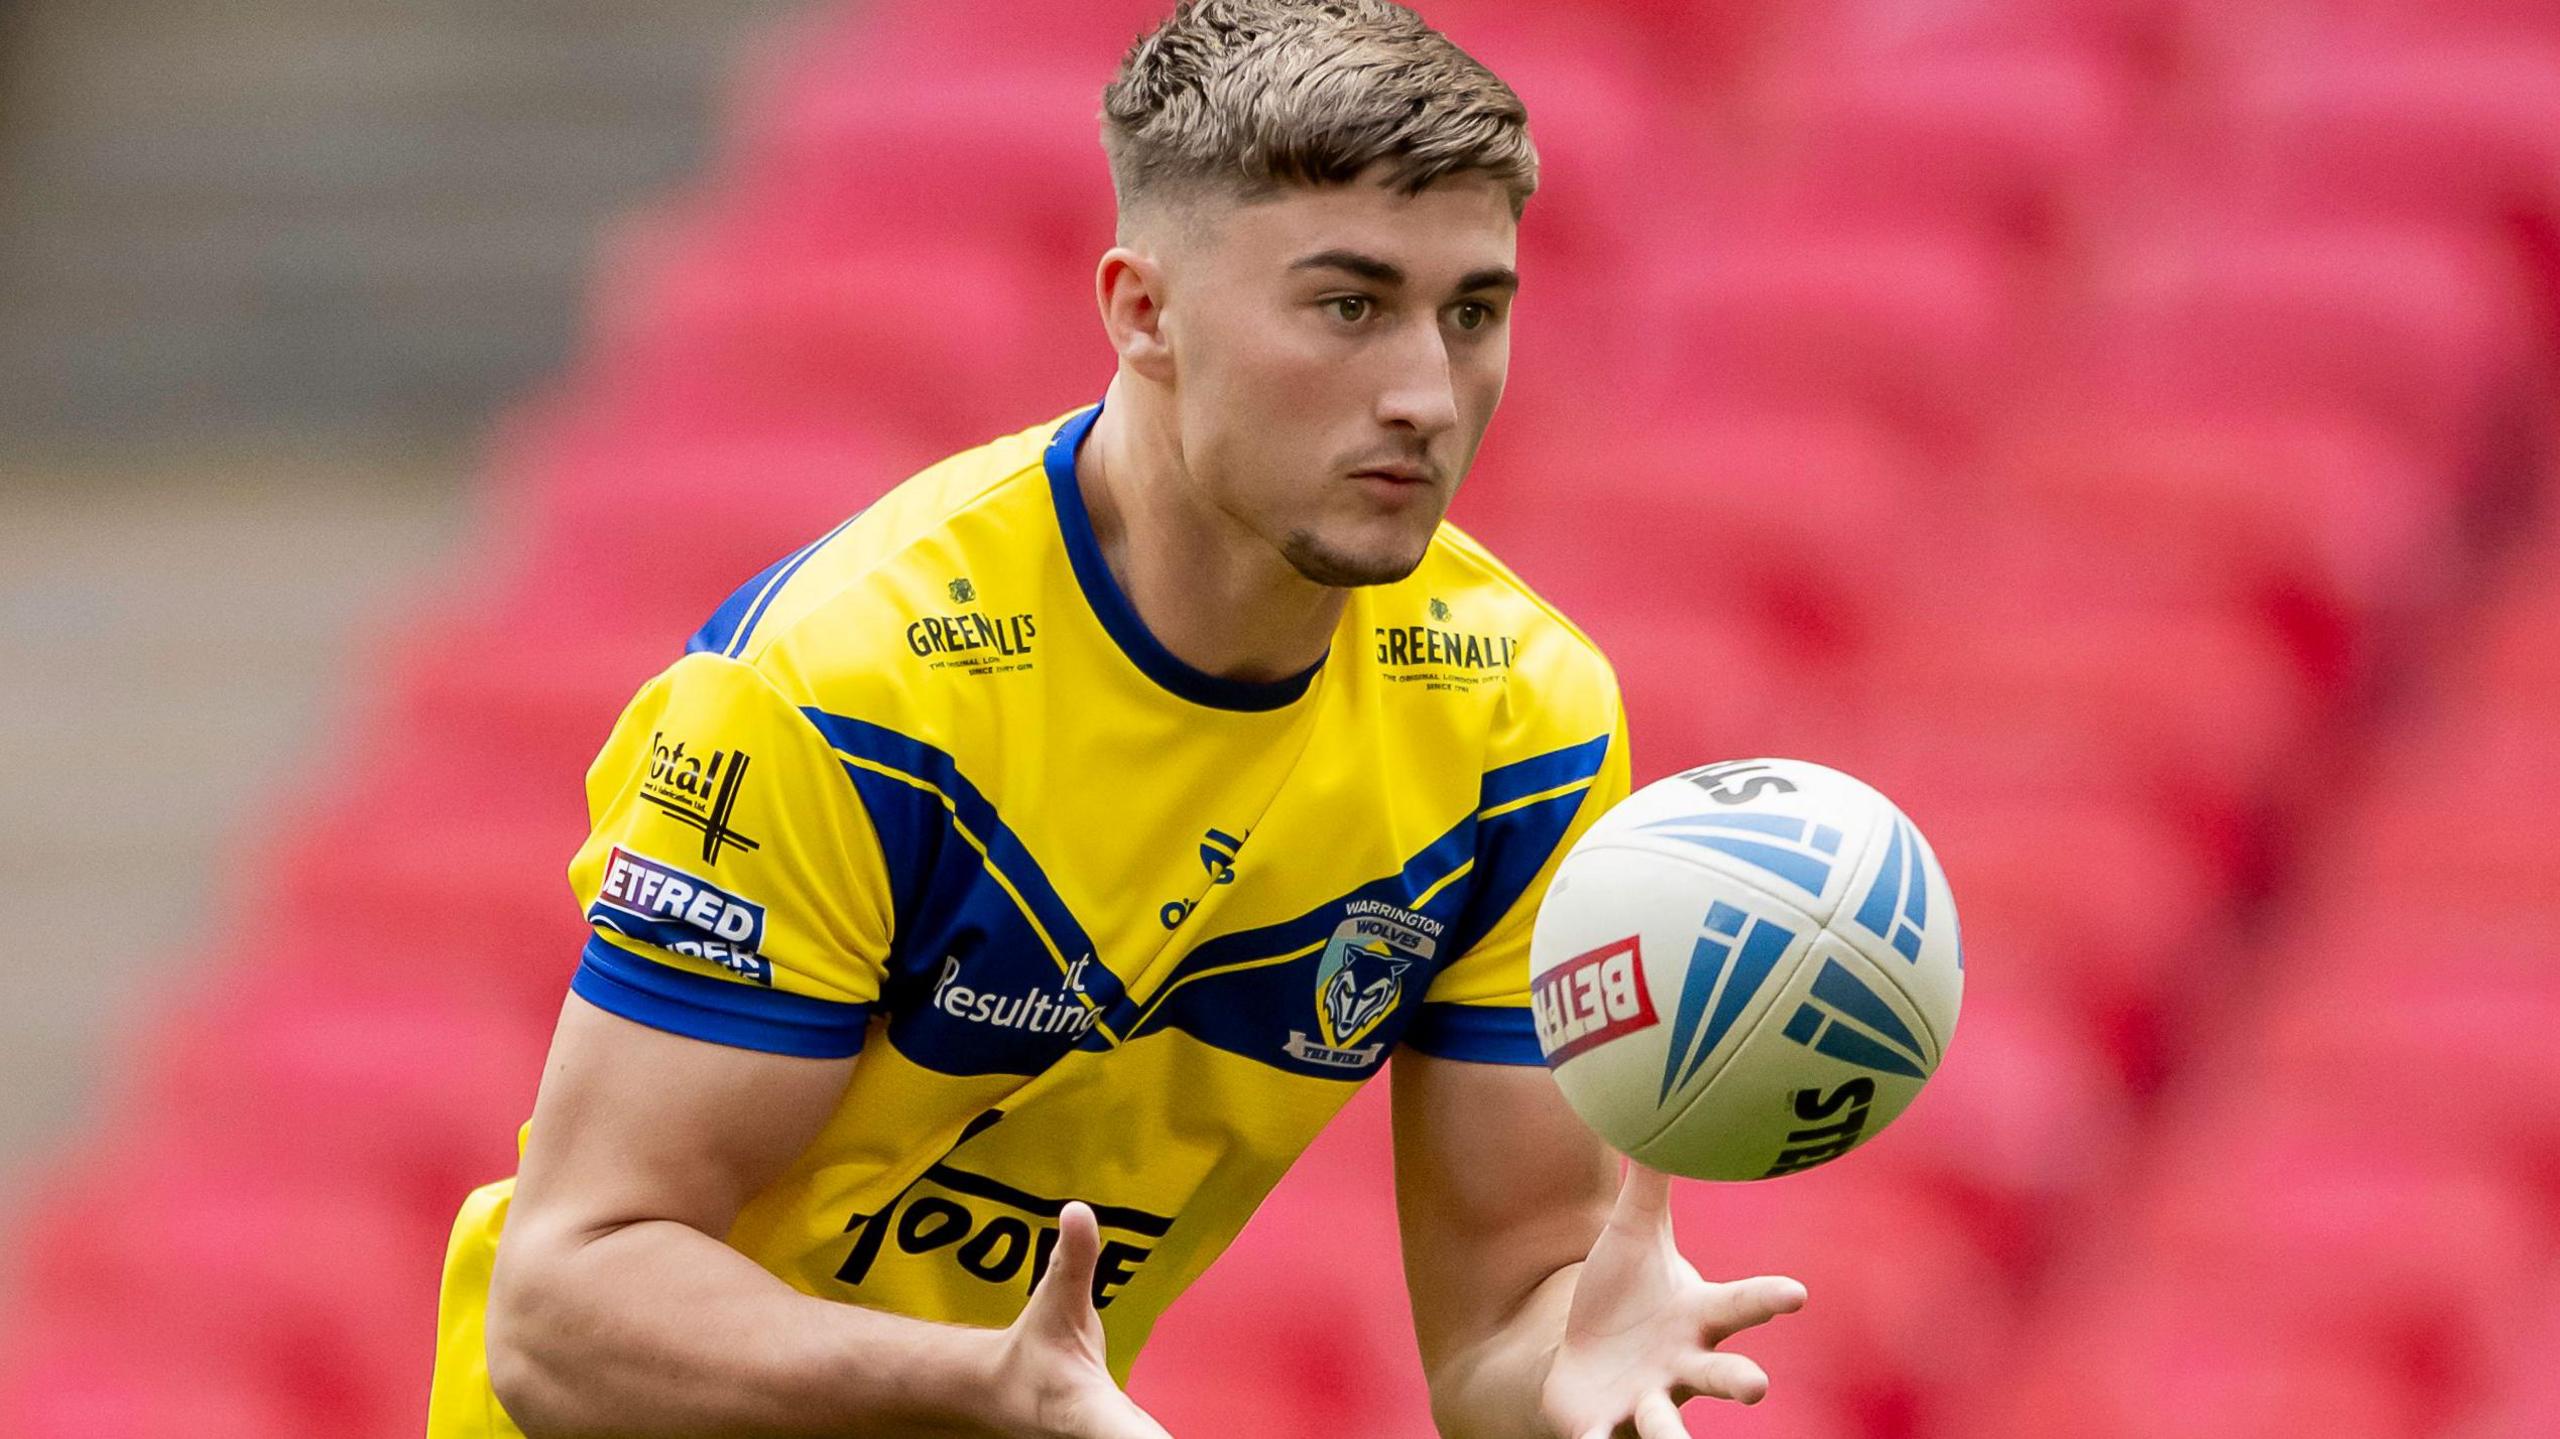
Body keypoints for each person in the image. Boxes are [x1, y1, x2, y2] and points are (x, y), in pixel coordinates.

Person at [427, 2, 1805, 1435]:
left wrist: (1572, 1364)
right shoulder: (855, 691)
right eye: (1349, 306)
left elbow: (1503, 1333)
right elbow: (565, 1310)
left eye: (1472, 313)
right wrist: (983, 1386)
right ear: (1143, 313)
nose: (1423, 393)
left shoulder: (1524, 728)